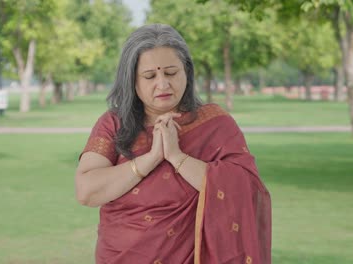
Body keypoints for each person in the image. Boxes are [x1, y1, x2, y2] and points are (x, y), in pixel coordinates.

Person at [75, 24, 271, 264]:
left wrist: (177, 157)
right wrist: (152, 158)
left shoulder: (215, 124)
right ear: (132, 81)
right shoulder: (114, 124)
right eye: (150, 76)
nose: (163, 84)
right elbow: (86, 192)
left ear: (186, 72)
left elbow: (244, 189)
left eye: (171, 73)